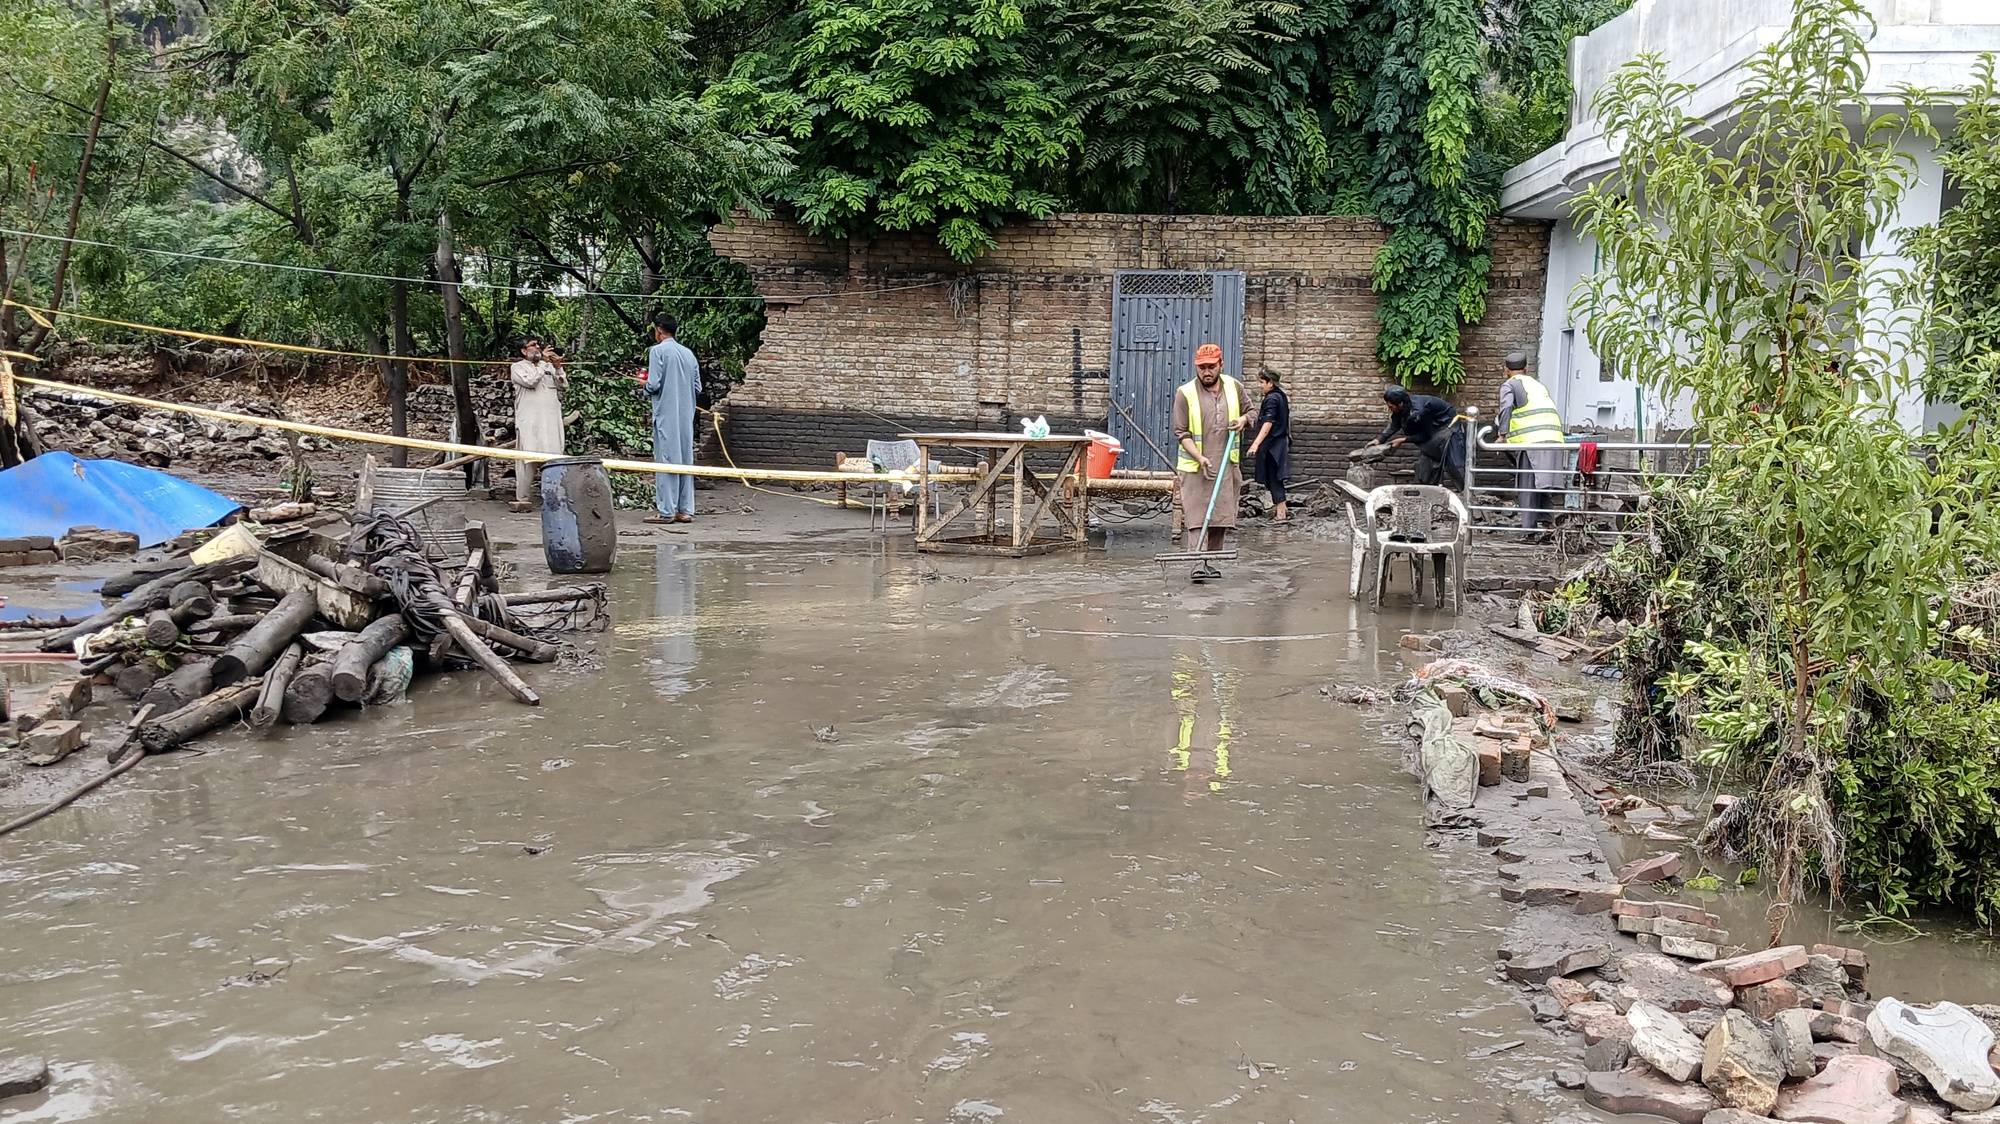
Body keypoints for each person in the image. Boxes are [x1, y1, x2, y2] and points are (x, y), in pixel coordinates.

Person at [1172, 341, 1250, 581]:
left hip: (1226, 463)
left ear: (1221, 364)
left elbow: (1253, 410)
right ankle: (1196, 562)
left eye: (1211, 366)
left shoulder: (1234, 387)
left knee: (1220, 516)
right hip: (1196, 467)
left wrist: (1244, 420)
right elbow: (1181, 433)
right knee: (1197, 517)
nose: (1206, 372)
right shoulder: (1185, 393)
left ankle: (1211, 562)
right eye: (1202, 367)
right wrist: (1199, 457)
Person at [1494, 350, 1566, 534]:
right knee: (1540, 484)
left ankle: (1529, 530)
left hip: (1532, 440)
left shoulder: (1510, 385)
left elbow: (1506, 408)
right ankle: (1548, 522)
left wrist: (1502, 435)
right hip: (1554, 438)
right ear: (1526, 368)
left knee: (1527, 484)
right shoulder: (1537, 384)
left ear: (1506, 370)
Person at [644, 314, 700, 525]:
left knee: (666, 459)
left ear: (659, 330)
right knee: (686, 458)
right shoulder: (688, 354)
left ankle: (666, 510)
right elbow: (697, 387)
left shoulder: (657, 351)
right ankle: (685, 510)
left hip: (666, 414)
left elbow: (654, 384)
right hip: (686, 416)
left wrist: (644, 389)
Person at [507, 335, 566, 512]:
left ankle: (555, 499)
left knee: (554, 458)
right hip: (530, 423)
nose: (538, 347)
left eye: (538, 345)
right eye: (533, 345)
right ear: (524, 351)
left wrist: (557, 367)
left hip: (551, 422)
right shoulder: (517, 368)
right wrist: (544, 365)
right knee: (527, 459)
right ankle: (523, 499)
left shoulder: (547, 366)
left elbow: (564, 385)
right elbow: (530, 382)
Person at [1377, 386, 1462, 488]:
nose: (1389, 409)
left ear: (1400, 404)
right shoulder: (1401, 409)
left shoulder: (1419, 412)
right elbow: (1395, 424)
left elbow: (1426, 435)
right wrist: (1379, 439)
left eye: (1391, 407)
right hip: (1431, 430)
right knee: (1424, 468)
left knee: (1455, 464)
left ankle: (1466, 492)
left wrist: (1403, 440)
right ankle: (1427, 491)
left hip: (1447, 426)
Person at [1247, 368, 1291, 523]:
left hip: (1273, 445)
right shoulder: (1281, 396)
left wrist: (1255, 444)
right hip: (1279, 443)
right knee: (1275, 477)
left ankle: (1281, 515)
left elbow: (1268, 423)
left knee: (1274, 478)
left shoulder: (1272, 399)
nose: (1259, 385)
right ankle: (1283, 509)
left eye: (1261, 382)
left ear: (1270, 382)